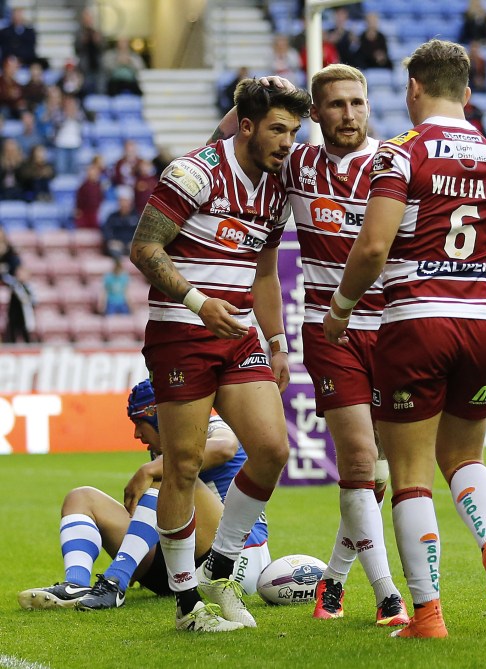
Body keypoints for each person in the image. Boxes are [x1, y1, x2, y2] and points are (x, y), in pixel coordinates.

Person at [322, 38, 486, 639]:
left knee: (410, 475)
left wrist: (340, 310)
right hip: (482, 320)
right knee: (465, 458)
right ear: (466, 92)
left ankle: (428, 614)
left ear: (413, 89)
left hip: (416, 318)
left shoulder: (400, 154)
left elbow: (373, 247)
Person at [208, 63, 410, 628]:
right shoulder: (295, 163)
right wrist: (270, 89)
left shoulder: (394, 164)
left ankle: (335, 580)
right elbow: (225, 139)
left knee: (379, 475)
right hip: (331, 330)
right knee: (358, 459)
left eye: (358, 103)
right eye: (336, 105)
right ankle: (389, 593)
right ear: (315, 114)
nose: (349, 114)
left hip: (393, 329)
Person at [128, 78, 310, 632]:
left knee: (273, 449)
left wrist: (278, 344)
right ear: (246, 126)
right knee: (182, 465)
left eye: (294, 131)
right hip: (183, 329)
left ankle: (222, 572)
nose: (287, 142)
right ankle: (187, 604)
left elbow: (263, 271)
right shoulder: (195, 173)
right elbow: (143, 247)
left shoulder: (277, 188)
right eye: (278, 129)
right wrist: (197, 301)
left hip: (239, 332)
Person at [17, 379, 270, 611]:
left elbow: (225, 447)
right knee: (80, 497)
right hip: (175, 563)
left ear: (161, 418)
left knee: (172, 475)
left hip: (235, 559)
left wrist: (150, 468)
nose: (137, 434)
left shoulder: (211, 426)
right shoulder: (162, 454)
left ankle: (116, 581)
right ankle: (76, 585)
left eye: (140, 424)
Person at [0, 225, 35, 343]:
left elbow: (20, 271)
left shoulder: (11, 253)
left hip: (12, 290)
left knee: (20, 299)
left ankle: (20, 337)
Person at [102, 185, 140, 259]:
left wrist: (134, 242)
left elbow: (142, 233)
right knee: (114, 249)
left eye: (125, 201)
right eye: (121, 201)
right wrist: (112, 240)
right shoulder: (112, 216)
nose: (123, 203)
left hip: (130, 245)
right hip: (117, 244)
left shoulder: (137, 217)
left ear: (130, 202)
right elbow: (106, 231)